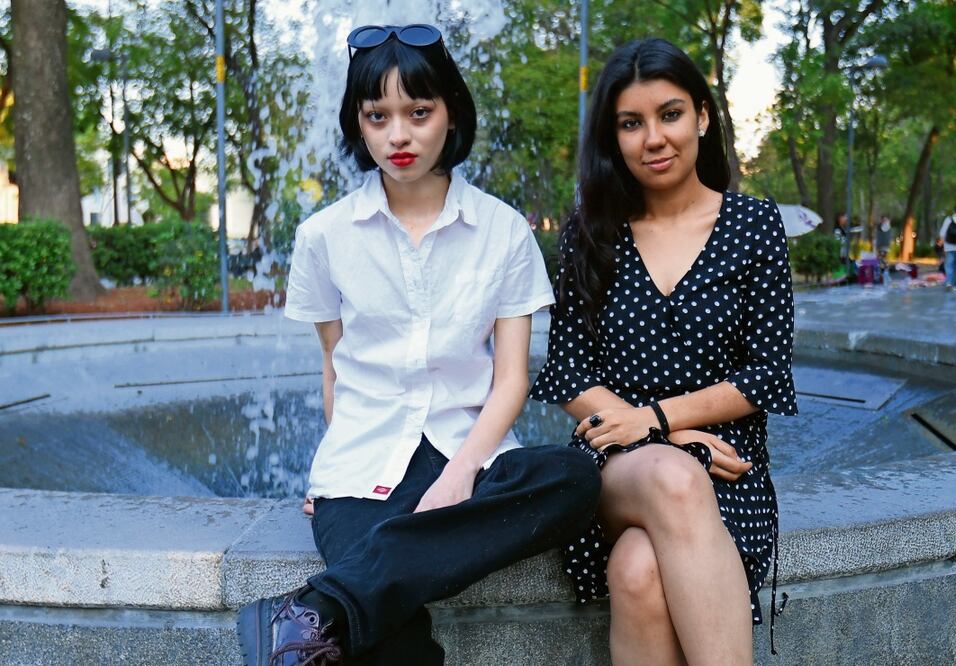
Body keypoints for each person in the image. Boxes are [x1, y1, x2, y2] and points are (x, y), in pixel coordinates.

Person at [236, 24, 602, 666]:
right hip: (362, 467)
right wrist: (338, 461)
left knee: (574, 475)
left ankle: (314, 610)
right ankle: (336, 607)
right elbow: (334, 364)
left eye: (418, 112)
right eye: (377, 116)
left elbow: (512, 378)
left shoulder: (503, 230)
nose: (398, 135)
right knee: (391, 634)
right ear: (358, 123)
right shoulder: (324, 237)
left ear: (451, 113)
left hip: (473, 456)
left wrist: (459, 477)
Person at [530, 38, 796, 665]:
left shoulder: (754, 225)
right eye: (631, 123)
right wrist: (655, 437)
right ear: (613, 137)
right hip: (616, 463)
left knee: (639, 570)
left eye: (670, 114)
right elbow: (566, 369)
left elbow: (766, 373)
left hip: (729, 470)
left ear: (703, 116)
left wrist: (658, 421)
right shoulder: (591, 231)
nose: (654, 138)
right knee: (673, 478)